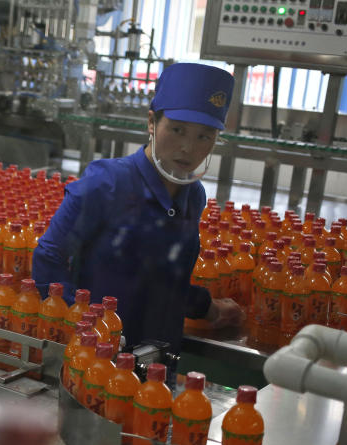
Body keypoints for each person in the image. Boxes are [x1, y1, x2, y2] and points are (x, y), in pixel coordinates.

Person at [32, 62, 244, 356]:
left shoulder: (193, 196)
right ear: (151, 123)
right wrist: (87, 322)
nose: (188, 148)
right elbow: (48, 257)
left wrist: (205, 307)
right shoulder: (107, 184)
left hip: (159, 360)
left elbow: (161, 279)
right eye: (178, 130)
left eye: (204, 136)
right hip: (98, 361)